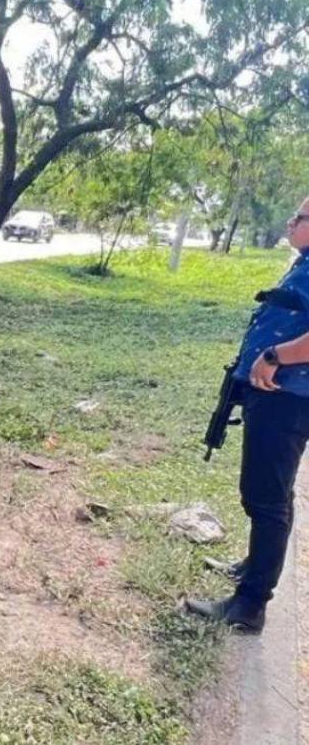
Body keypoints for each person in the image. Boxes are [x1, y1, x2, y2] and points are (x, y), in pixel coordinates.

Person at [186, 196, 309, 633]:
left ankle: (250, 606)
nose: (291, 221)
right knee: (273, 493)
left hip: (287, 396)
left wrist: (274, 355)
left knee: (265, 498)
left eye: (300, 216)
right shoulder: (304, 263)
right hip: (276, 392)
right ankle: (254, 568)